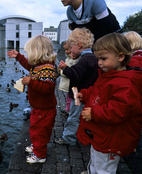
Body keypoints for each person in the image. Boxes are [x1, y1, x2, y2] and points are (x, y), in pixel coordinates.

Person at [76, 33, 142, 173]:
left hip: (111, 136)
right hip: (104, 134)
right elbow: (98, 91)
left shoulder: (126, 83)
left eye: (103, 58)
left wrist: (94, 113)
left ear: (120, 57)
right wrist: (85, 94)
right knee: (97, 158)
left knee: (104, 166)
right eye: (98, 58)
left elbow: (120, 109)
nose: (99, 62)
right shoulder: (110, 75)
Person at [7, 35, 58, 164]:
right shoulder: (38, 66)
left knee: (40, 132)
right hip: (38, 108)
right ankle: (36, 146)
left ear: (38, 53)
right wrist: (18, 56)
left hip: (45, 110)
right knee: (35, 130)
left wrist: (31, 82)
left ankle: (40, 155)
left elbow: (48, 89)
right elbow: (27, 64)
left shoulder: (48, 69)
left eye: (29, 53)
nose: (28, 55)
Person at [55, 28, 98, 146]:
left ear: (78, 45)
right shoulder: (92, 58)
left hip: (78, 94)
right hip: (89, 93)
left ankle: (69, 138)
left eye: (72, 46)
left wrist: (65, 68)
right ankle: (85, 135)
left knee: (74, 116)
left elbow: (75, 75)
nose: (71, 49)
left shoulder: (84, 60)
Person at [58, 40, 80, 116]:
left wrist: (61, 71)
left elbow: (69, 72)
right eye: (65, 50)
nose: (66, 51)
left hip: (71, 83)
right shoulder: (69, 58)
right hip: (70, 84)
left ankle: (70, 111)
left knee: (71, 98)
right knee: (69, 97)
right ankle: (68, 110)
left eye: (67, 49)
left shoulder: (73, 60)